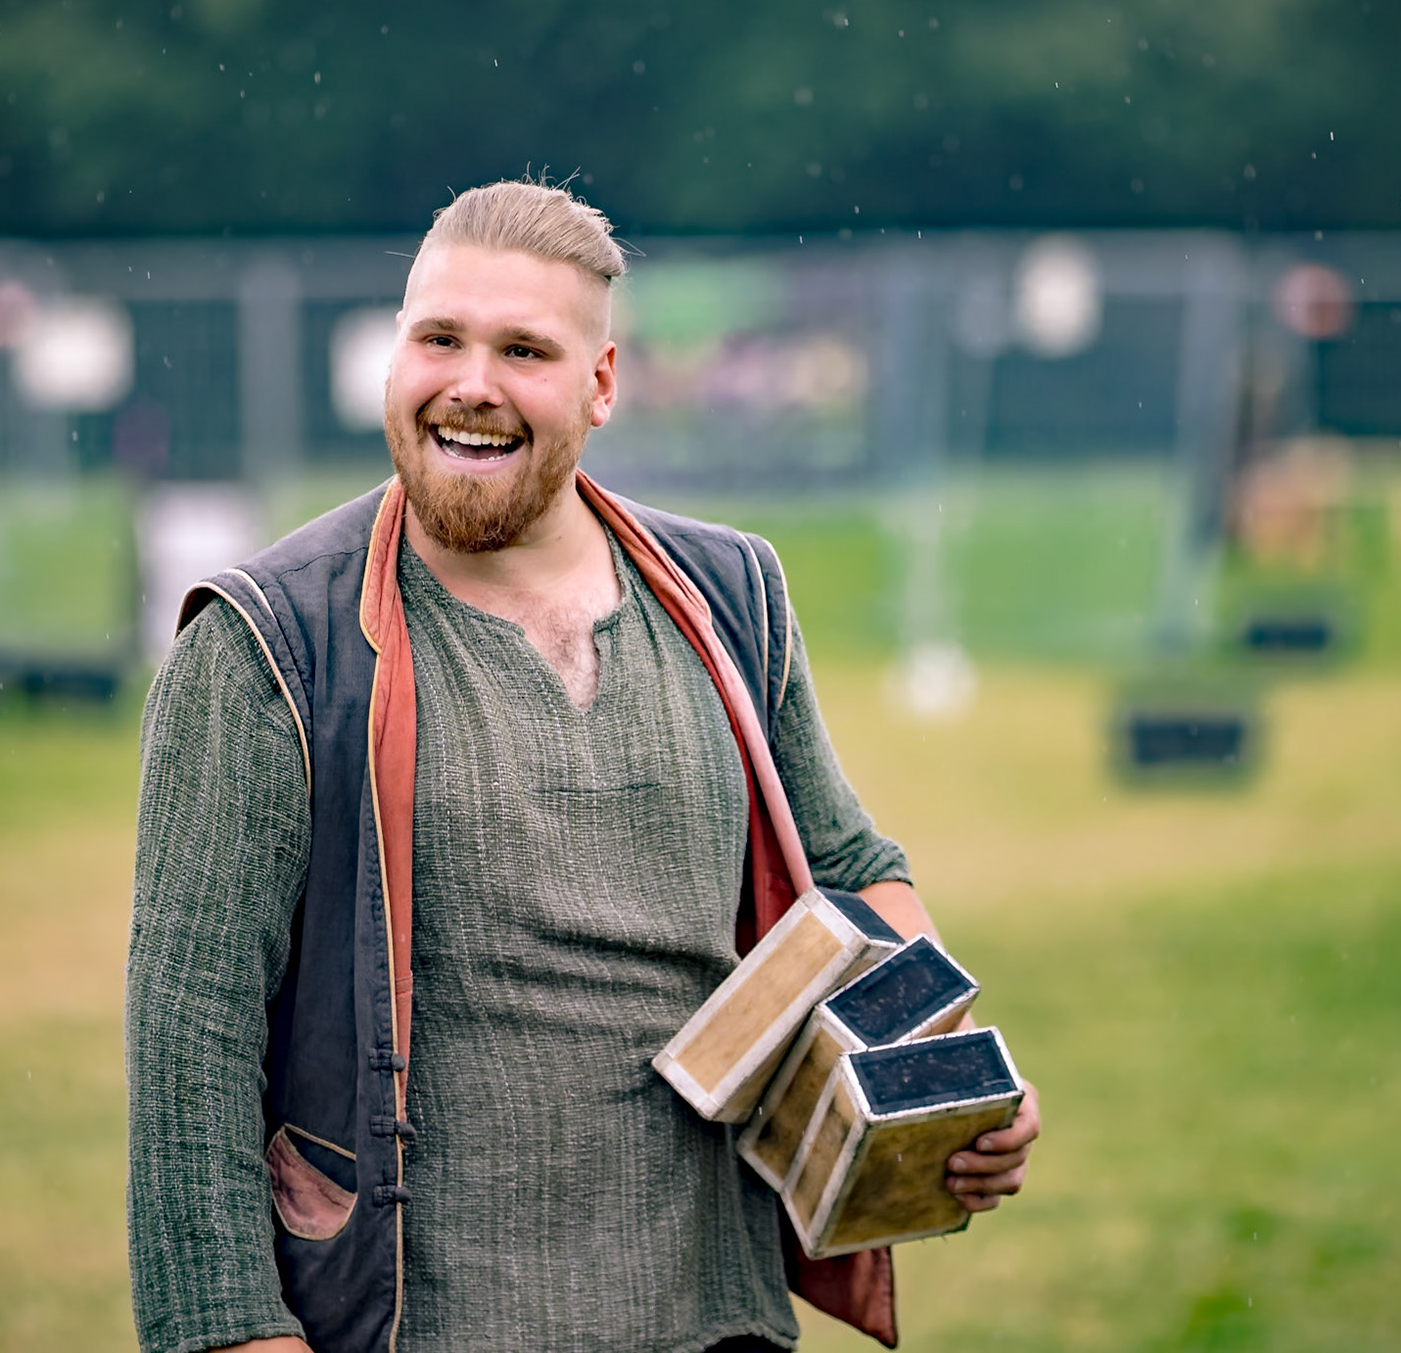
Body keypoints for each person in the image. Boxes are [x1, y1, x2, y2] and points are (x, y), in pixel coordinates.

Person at [125, 178, 1038, 1353]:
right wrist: (237, 1337)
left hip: (720, 1321)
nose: (472, 384)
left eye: (524, 350)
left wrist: (947, 1070)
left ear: (602, 384)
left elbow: (851, 867)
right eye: (439, 338)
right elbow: (190, 1030)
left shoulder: (731, 594)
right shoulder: (268, 647)